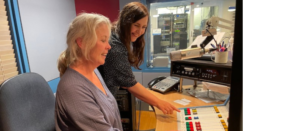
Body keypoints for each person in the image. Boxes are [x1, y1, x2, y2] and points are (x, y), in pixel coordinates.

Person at [98, 2, 180, 115]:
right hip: (100, 106)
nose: (140, 31)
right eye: (136, 25)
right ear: (125, 21)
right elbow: (130, 84)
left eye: (144, 27)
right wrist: (159, 103)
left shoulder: (115, 34)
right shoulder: (115, 47)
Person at [55, 13, 122, 131]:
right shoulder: (72, 88)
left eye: (108, 40)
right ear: (81, 42)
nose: (109, 46)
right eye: (103, 40)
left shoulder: (94, 71)